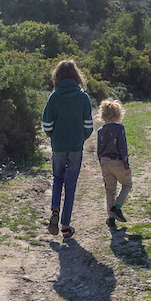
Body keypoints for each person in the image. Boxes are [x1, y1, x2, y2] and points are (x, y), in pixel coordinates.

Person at [42, 59, 94, 240]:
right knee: (70, 187)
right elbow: (88, 125)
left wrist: (54, 137)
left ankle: (54, 210)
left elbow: (47, 125)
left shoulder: (54, 98)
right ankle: (65, 227)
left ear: (57, 76)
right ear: (76, 76)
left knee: (57, 179)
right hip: (75, 147)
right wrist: (81, 138)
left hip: (58, 147)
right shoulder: (83, 98)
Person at [96, 99, 131, 230]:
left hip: (104, 162)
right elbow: (123, 148)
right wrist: (126, 166)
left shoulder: (100, 130)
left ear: (103, 114)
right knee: (127, 184)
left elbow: (98, 149)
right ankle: (116, 208)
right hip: (117, 161)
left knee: (110, 190)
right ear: (118, 114)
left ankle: (111, 218)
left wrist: (101, 162)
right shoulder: (119, 128)